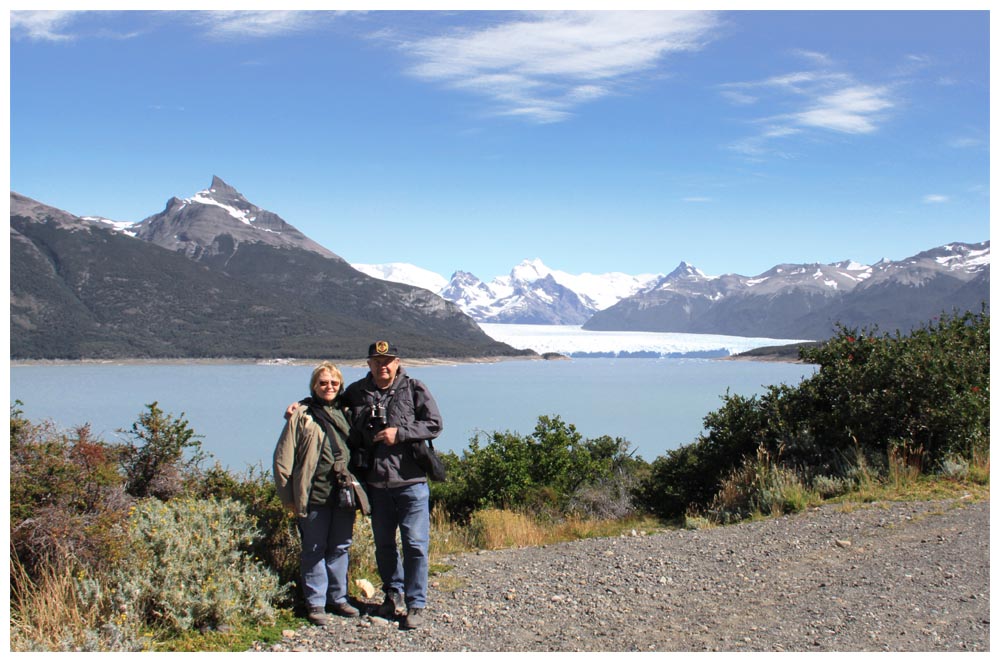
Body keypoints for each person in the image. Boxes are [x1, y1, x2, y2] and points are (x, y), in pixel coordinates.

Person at [285, 340, 443, 630]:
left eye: (388, 361)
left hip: (411, 482)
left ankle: (416, 603)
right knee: (384, 546)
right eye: (377, 361)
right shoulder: (357, 392)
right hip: (376, 485)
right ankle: (392, 594)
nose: (383, 365)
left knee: (415, 546)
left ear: (397, 362)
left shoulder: (414, 388)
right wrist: (301, 406)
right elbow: (327, 402)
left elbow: (434, 425)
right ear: (369, 364)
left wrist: (401, 433)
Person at [274, 361, 370, 626]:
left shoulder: (346, 412)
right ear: (314, 385)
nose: (329, 387)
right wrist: (288, 499)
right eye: (323, 383)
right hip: (313, 493)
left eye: (334, 383)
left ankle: (337, 598)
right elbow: (283, 459)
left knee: (340, 546)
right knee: (314, 548)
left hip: (343, 493)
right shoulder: (302, 415)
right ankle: (316, 603)